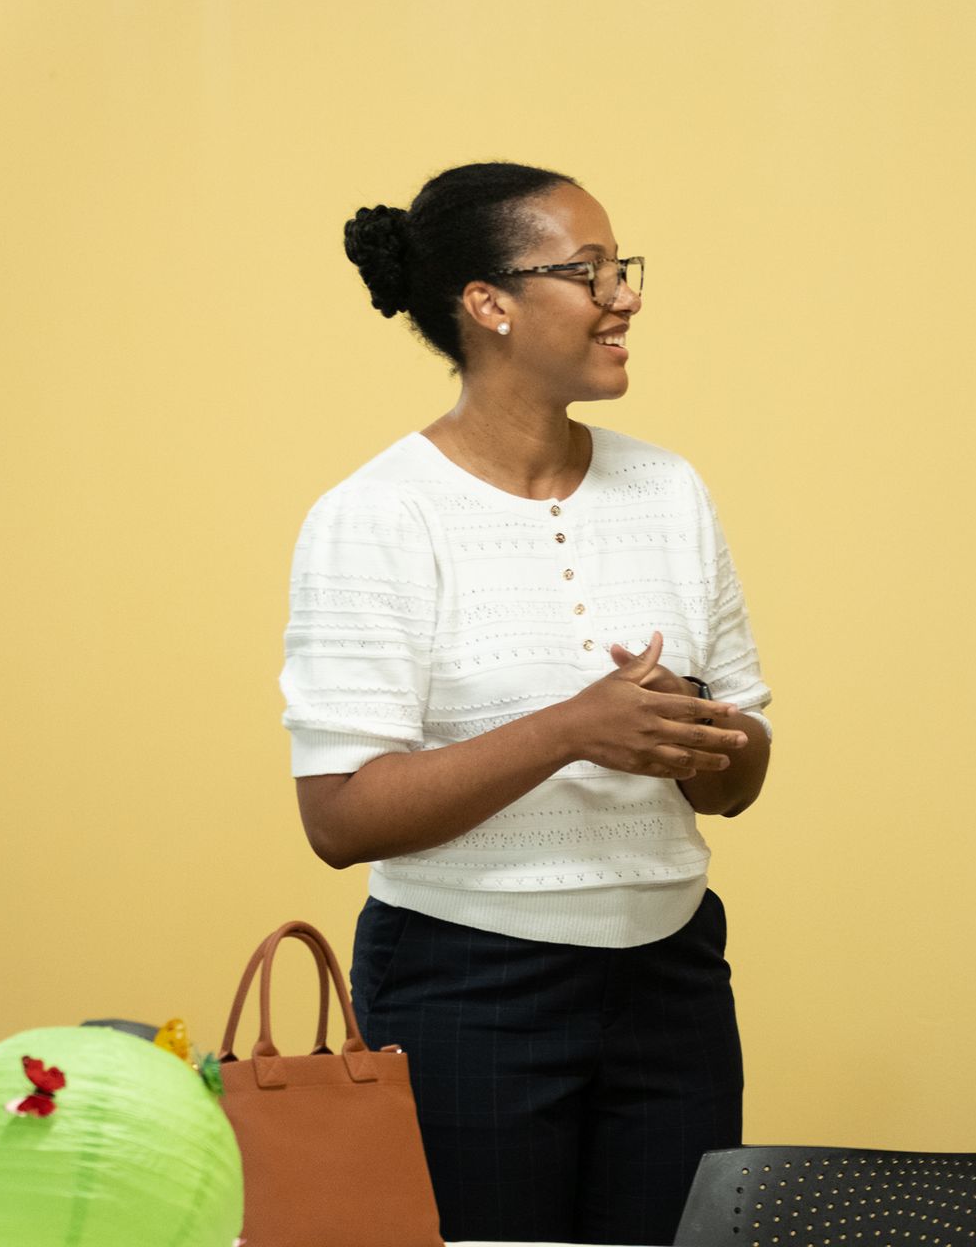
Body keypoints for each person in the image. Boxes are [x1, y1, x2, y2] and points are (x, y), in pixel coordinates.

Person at [280, 162, 773, 1245]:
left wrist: (696, 730)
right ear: (488, 303)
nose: (624, 295)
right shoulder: (377, 517)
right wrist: (571, 728)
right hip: (467, 990)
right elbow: (340, 815)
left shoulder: (671, 490)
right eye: (586, 271)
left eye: (621, 268)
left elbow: (742, 776)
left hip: (673, 980)